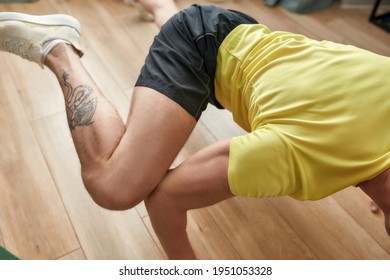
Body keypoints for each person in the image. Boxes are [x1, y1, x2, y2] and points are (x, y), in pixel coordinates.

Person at [0, 0, 389, 260]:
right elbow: (166, 197)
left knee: (221, 50)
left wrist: (373, 172)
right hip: (202, 46)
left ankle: (158, 2)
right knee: (114, 185)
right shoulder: (307, 156)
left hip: (249, 41)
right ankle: (58, 45)